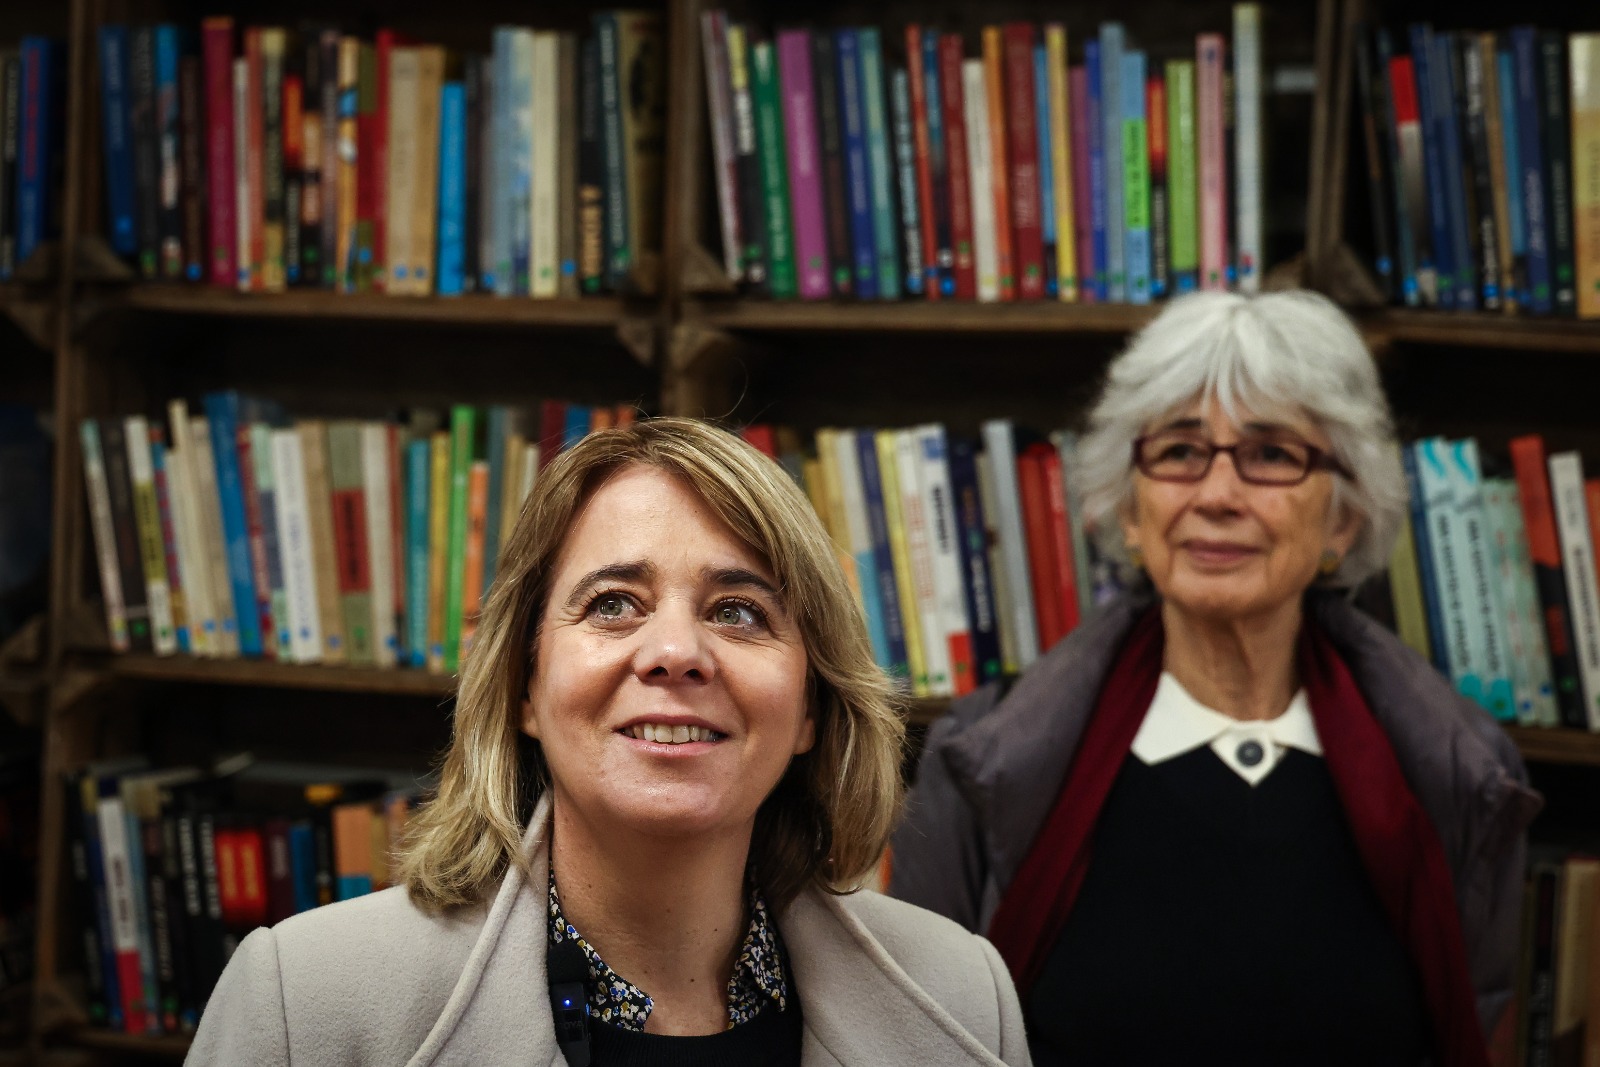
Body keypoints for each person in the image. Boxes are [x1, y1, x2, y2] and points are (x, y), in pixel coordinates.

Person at [187, 417, 1029, 1066]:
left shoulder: (965, 994)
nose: (674, 653)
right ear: (524, 684)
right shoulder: (306, 1003)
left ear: (810, 707)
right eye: (613, 603)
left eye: (739, 611)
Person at [889, 291, 1541, 1067]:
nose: (1218, 494)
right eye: (1178, 452)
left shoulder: (1464, 776)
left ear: (1344, 517)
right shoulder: (980, 765)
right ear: (1130, 510)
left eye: (1271, 454)